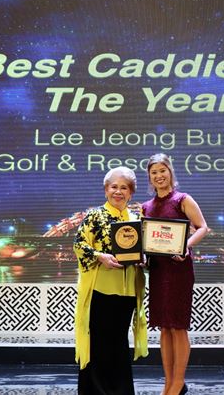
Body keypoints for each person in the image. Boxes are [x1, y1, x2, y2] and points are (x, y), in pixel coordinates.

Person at [73, 166, 148, 395]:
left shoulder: (136, 219)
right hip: (101, 289)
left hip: (127, 292)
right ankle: (96, 391)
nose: (118, 191)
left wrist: (144, 259)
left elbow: (145, 251)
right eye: (114, 187)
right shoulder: (94, 216)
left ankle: (120, 391)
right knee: (98, 342)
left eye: (124, 187)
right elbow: (79, 244)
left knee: (119, 343)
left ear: (131, 192)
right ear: (106, 190)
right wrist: (100, 256)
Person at [142, 153, 208, 395]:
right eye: (154, 172)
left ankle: (178, 382)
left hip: (179, 270)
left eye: (163, 170)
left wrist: (185, 246)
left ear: (170, 172)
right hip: (158, 272)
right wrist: (143, 259)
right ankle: (168, 383)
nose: (159, 176)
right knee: (164, 327)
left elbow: (203, 227)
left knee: (178, 326)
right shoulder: (146, 206)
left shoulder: (183, 199)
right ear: (149, 177)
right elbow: (146, 241)